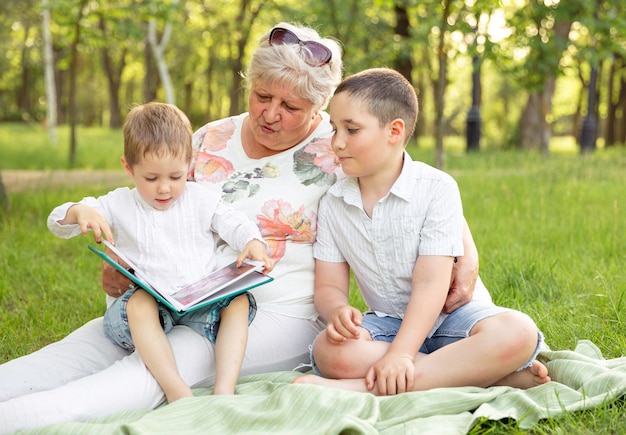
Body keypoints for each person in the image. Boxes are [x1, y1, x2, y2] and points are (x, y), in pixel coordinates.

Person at [0, 24, 476, 431]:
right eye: (262, 95)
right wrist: (125, 263)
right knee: (77, 349)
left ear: (320, 107)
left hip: (268, 313)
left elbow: (416, 185)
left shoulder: (339, 149)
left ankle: (18, 421)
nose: (271, 113)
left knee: (151, 372)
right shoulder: (211, 137)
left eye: (291, 106)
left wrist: (466, 248)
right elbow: (155, 206)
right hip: (175, 295)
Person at [293, 68, 551, 395]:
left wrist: (402, 355)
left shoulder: (437, 188)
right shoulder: (333, 202)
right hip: (387, 322)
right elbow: (329, 285)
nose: (337, 142)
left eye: (352, 129)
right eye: (334, 129)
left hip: (453, 318)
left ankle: (365, 387)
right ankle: (482, 373)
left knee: (518, 332)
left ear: (395, 131)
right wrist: (338, 310)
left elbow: (431, 282)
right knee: (328, 351)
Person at [48, 102, 273, 402]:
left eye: (176, 177)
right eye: (151, 179)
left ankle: (224, 389)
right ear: (128, 168)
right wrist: (79, 211)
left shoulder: (200, 198)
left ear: (188, 163)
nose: (164, 188)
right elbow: (57, 222)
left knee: (239, 301)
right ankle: (177, 391)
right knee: (140, 304)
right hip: (146, 311)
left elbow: (232, 222)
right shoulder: (118, 203)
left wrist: (252, 240)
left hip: (197, 304)